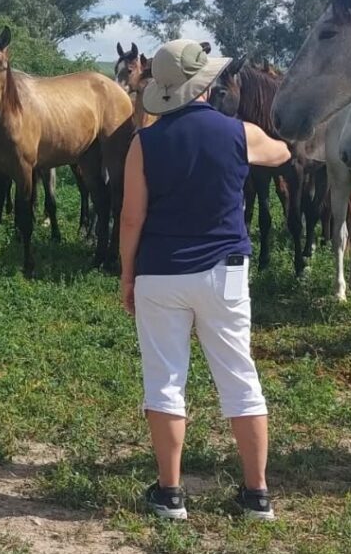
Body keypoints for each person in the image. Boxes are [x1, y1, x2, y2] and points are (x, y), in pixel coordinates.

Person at [119, 39, 292, 521]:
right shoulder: (239, 133)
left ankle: (169, 493)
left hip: (160, 273)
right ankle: (257, 494)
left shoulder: (144, 142)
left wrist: (127, 277)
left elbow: (131, 220)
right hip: (225, 273)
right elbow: (281, 153)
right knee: (240, 379)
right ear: (206, 84)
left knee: (165, 381)